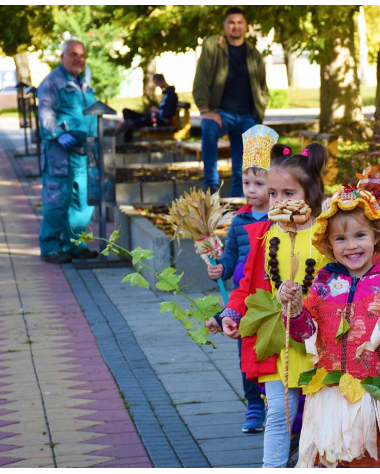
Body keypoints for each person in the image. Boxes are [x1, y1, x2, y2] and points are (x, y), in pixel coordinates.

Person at [279, 187, 380, 468]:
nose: (351, 246)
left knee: (375, 461)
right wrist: (295, 308)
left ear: (376, 236)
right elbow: (304, 334)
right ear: (329, 244)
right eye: (340, 239)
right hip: (330, 399)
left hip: (377, 399)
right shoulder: (322, 285)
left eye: (359, 235)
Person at [219, 143, 329, 467]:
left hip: (315, 341)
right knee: (279, 412)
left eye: (288, 192)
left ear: (309, 193)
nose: (279, 201)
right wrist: (231, 312)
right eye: (273, 194)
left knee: (319, 412)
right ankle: (272, 466)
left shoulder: (325, 236)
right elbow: (247, 286)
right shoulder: (263, 236)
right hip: (276, 340)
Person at [203, 130, 287, 434]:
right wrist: (221, 269)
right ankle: (254, 403)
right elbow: (230, 256)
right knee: (246, 351)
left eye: (259, 184)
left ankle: (274, 400)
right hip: (245, 296)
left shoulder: (280, 219)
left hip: (272, 291)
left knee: (273, 350)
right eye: (246, 183)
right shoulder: (239, 221)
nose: (251, 190)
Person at [193, 7, 270, 198]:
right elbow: (201, 79)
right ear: (225, 25)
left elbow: (262, 86)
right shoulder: (214, 46)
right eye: (231, 22)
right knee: (208, 129)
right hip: (221, 113)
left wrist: (258, 113)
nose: (235, 26)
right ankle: (211, 187)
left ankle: (238, 204)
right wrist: (205, 110)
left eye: (239, 22)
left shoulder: (253, 53)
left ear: (245, 26)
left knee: (242, 167)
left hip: (246, 116)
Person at [36, 39, 99, 264]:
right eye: (73, 54)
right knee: (57, 201)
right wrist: (57, 134)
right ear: (62, 57)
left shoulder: (84, 82)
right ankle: (51, 247)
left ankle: (75, 245)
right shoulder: (53, 82)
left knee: (83, 202)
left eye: (81, 55)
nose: (78, 59)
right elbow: (45, 114)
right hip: (60, 153)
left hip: (84, 152)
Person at [118, 74, 178, 142]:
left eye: (157, 83)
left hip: (159, 120)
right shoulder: (166, 94)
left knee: (132, 122)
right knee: (126, 112)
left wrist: (157, 110)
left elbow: (169, 113)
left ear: (162, 81)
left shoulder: (171, 95)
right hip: (153, 116)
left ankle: (125, 139)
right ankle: (126, 127)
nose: (157, 86)